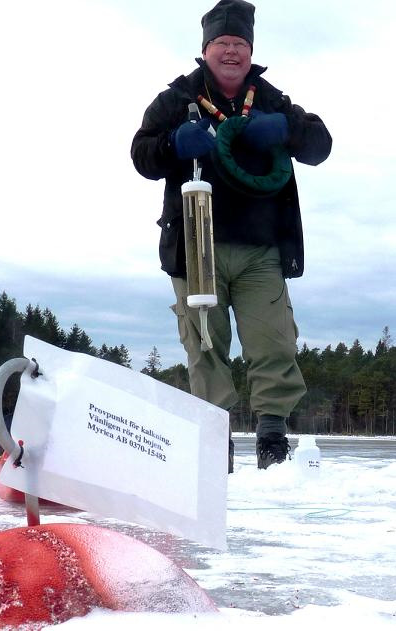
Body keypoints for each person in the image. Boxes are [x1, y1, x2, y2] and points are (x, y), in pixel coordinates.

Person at [131, 0, 332, 471]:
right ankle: (214, 443)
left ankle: (272, 440)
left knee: (274, 342)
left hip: (262, 248)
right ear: (205, 50)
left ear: (250, 51)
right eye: (222, 43)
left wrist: (287, 129)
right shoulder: (175, 99)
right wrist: (173, 142)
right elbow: (141, 155)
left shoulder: (270, 99)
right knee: (204, 343)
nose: (231, 52)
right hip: (195, 246)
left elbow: (320, 146)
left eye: (239, 44)